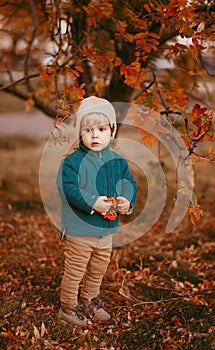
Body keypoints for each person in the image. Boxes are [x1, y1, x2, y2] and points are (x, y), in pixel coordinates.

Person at [56, 96, 138, 327]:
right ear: (80, 133)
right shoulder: (72, 161)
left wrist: (126, 201)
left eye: (101, 129)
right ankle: (68, 307)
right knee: (75, 270)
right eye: (88, 129)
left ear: (111, 132)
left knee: (98, 268)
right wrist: (93, 202)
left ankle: (90, 299)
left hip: (106, 230)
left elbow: (129, 183)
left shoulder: (117, 161)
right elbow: (67, 188)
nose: (95, 135)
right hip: (80, 229)